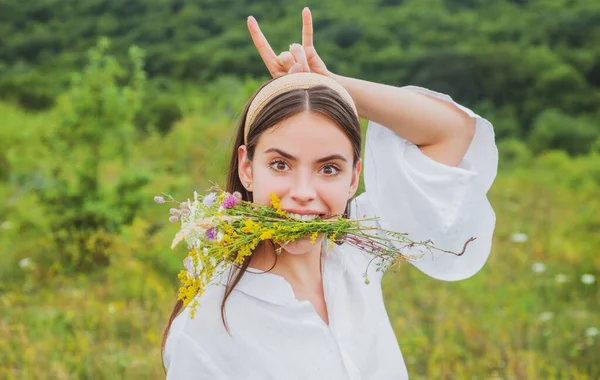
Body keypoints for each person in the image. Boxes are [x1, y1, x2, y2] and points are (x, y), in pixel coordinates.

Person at [162, 7, 497, 380]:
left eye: (328, 169)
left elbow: (453, 132)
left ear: (353, 178)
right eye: (280, 164)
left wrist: (331, 83)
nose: (304, 193)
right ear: (246, 168)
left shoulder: (355, 247)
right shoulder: (207, 328)